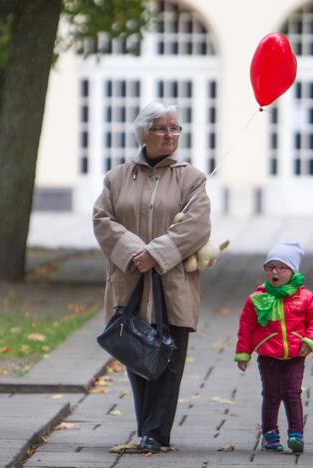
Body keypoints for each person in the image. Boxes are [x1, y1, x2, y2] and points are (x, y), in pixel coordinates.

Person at [93, 102, 211, 453]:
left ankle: (154, 434)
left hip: (171, 283)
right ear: (143, 133)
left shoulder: (192, 178)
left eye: (176, 128)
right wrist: (133, 252)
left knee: (168, 359)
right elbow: (102, 220)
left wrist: (155, 254)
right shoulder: (117, 178)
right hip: (129, 282)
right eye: (162, 128)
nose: (170, 135)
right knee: (137, 354)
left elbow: (198, 225)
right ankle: (147, 429)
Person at [234, 240, 313, 453]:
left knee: (293, 393)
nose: (275, 272)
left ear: (292, 271)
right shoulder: (257, 298)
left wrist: (310, 340)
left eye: (281, 267)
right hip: (268, 355)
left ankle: (296, 433)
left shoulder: (305, 298)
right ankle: (269, 434)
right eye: (270, 267)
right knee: (272, 394)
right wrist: (243, 353)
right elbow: (246, 326)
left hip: (295, 354)